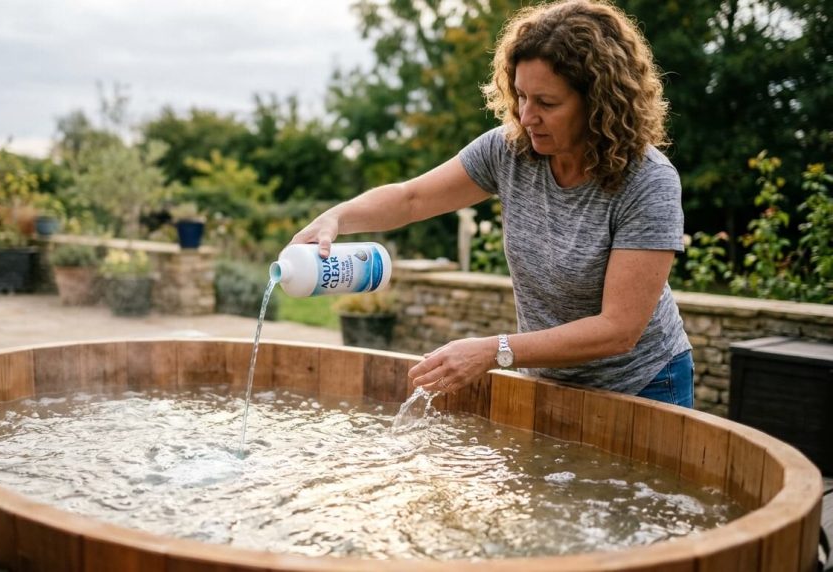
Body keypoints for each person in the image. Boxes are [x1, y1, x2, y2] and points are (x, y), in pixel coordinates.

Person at [290, 0, 694, 407]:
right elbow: (411, 199)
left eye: (547, 103)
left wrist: (493, 350)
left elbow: (618, 329)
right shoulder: (509, 151)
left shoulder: (647, 180)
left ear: (599, 103)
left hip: (644, 384)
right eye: (520, 95)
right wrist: (336, 217)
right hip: (547, 380)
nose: (526, 115)